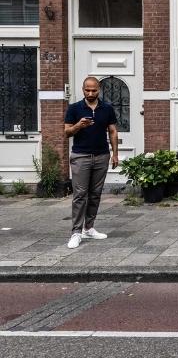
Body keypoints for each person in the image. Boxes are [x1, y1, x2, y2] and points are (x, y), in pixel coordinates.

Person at [64, 76, 119, 249]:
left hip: (102, 156)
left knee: (95, 194)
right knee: (80, 195)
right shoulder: (74, 108)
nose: (90, 93)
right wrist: (79, 125)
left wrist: (114, 154)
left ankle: (89, 227)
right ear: (82, 89)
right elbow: (67, 132)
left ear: (99, 89)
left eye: (93, 90)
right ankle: (76, 232)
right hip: (81, 156)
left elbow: (113, 132)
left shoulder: (107, 109)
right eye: (87, 90)